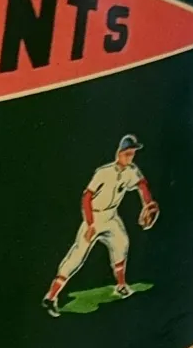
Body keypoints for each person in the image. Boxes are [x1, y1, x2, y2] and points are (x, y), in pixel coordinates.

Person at [43, 134, 158, 312]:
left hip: (111, 216)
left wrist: (148, 202)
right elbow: (86, 197)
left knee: (122, 243)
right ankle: (51, 297)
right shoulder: (104, 172)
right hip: (95, 217)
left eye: (133, 153)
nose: (130, 157)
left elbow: (141, 184)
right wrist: (90, 224)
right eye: (127, 153)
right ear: (119, 153)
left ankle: (121, 285)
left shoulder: (131, 171)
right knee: (76, 257)